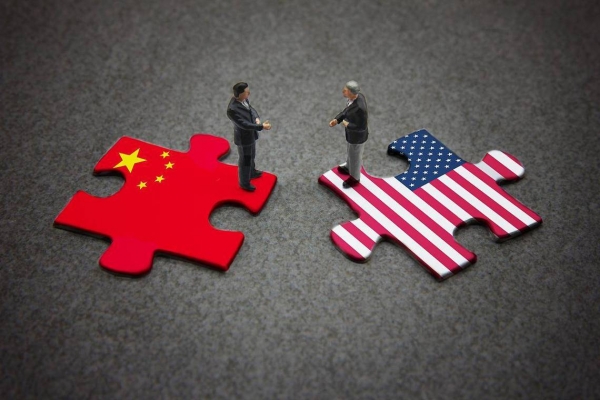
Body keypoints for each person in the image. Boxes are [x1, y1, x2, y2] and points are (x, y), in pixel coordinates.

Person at [227, 82, 272, 192]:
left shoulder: (244, 100)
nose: (249, 93)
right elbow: (244, 124)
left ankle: (251, 172)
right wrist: (261, 126)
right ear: (240, 94)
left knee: (252, 156)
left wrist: (256, 118)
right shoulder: (232, 109)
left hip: (251, 136)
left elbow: (251, 110)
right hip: (244, 139)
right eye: (247, 92)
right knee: (245, 160)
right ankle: (244, 183)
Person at [329, 80, 369, 188]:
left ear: (351, 92)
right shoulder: (354, 99)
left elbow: (361, 126)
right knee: (350, 152)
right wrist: (337, 120)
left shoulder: (360, 108)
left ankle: (355, 178)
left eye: (346, 90)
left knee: (355, 157)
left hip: (358, 137)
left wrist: (348, 124)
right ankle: (348, 167)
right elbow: (346, 111)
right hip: (351, 135)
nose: (343, 91)